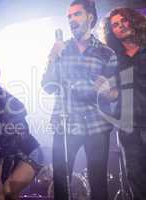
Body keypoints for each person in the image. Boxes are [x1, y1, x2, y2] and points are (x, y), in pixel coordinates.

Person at [41, 0, 119, 199]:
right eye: (69, 16)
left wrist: (105, 91)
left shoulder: (106, 53)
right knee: (60, 181)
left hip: (97, 125)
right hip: (65, 123)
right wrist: (52, 57)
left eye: (76, 14)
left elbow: (113, 93)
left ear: (90, 17)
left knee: (98, 183)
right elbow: (48, 86)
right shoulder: (61, 49)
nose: (71, 20)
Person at [0, 56, 45, 200]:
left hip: (28, 153)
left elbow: (21, 112)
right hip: (6, 155)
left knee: (8, 190)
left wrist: (5, 169)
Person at [102, 8, 146, 200]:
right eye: (115, 25)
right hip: (129, 127)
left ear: (133, 21)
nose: (120, 26)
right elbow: (110, 93)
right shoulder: (113, 60)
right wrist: (108, 93)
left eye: (124, 21)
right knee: (135, 177)